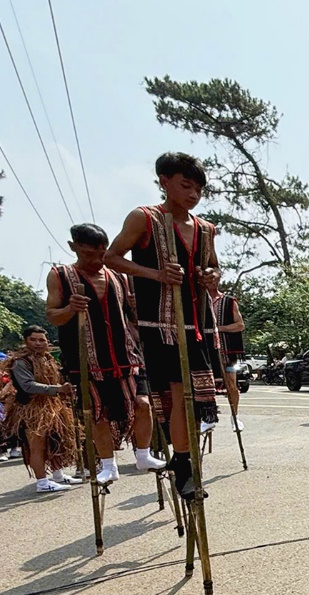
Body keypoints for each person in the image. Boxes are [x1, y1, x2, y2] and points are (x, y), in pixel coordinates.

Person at [105, 151, 223, 499]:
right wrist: (155, 274)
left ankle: (184, 458)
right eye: (186, 186)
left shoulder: (205, 229)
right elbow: (112, 257)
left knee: (195, 396)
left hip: (198, 323)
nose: (193, 194)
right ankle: (183, 463)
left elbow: (214, 268)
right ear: (164, 182)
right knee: (177, 394)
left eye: (198, 189)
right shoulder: (145, 219)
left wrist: (210, 276)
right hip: (161, 323)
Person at [46, 223, 166, 485]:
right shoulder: (60, 276)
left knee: (143, 404)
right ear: (74, 248)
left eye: (101, 253)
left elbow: (131, 315)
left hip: (126, 356)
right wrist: (69, 309)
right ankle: (109, 465)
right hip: (87, 361)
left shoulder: (119, 276)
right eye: (89, 253)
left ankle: (143, 454)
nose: (96, 259)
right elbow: (52, 315)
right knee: (99, 414)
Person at [0, 325, 82, 493]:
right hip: (32, 409)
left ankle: (58, 475)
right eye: (33, 340)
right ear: (25, 341)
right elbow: (28, 386)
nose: (38, 343)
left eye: (41, 340)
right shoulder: (20, 362)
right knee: (37, 445)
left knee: (55, 441)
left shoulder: (48, 359)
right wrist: (57, 389)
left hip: (52, 406)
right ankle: (42, 482)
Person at [209, 280, 245, 431]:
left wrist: (218, 328)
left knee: (232, 384)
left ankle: (235, 416)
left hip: (227, 352)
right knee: (204, 386)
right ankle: (208, 416)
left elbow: (240, 325)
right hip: (206, 351)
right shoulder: (197, 300)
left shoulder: (229, 301)